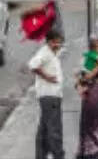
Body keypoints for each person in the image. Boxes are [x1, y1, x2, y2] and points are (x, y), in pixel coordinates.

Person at [29, 30, 65, 159]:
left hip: (49, 96)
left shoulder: (51, 53)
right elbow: (33, 65)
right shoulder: (45, 53)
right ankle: (58, 155)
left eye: (59, 42)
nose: (58, 45)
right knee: (54, 129)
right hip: (50, 96)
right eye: (56, 42)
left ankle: (41, 154)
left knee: (44, 129)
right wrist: (47, 77)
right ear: (49, 42)